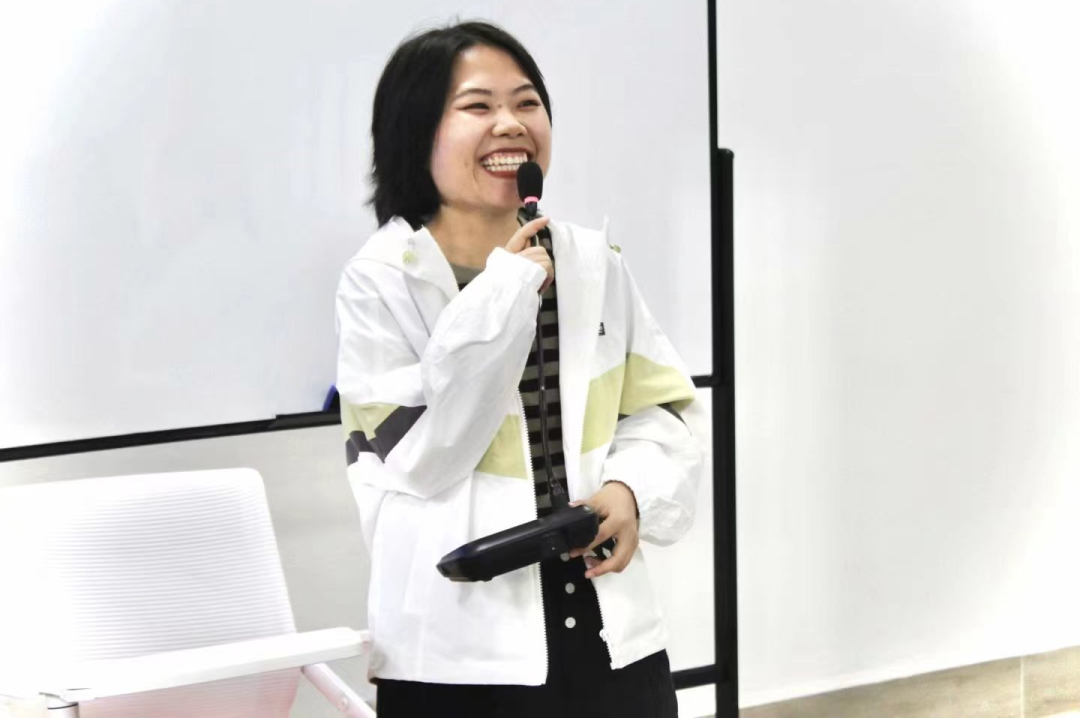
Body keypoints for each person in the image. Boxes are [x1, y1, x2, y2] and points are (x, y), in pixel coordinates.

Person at [335, 20, 704, 718]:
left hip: (605, 621)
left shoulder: (592, 262)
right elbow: (424, 457)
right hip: (457, 648)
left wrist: (630, 488)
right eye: (477, 106)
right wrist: (504, 294)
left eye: (527, 102)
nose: (510, 124)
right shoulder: (380, 280)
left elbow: (663, 410)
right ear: (416, 132)